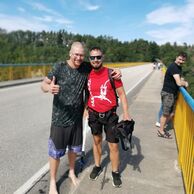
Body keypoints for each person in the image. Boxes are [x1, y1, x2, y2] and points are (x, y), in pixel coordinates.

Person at [41, 42, 121, 194]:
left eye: (81, 55)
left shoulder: (86, 67)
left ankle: (71, 172)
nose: (78, 57)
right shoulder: (59, 67)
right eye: (76, 54)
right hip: (59, 118)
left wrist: (117, 71)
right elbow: (43, 84)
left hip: (77, 118)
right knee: (55, 152)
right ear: (70, 53)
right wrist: (48, 88)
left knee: (73, 150)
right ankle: (52, 181)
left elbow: (101, 68)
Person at [86, 47, 132, 188]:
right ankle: (98, 166)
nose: (95, 60)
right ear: (89, 59)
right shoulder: (86, 73)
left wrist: (126, 113)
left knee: (113, 145)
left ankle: (115, 172)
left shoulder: (112, 74)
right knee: (97, 141)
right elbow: (86, 93)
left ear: (102, 57)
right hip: (93, 114)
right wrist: (85, 109)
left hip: (110, 115)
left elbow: (122, 94)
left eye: (98, 57)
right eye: (92, 58)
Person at [157, 52, 189, 139]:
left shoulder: (178, 67)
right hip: (168, 93)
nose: (181, 61)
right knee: (166, 113)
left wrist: (181, 79)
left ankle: (162, 128)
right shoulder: (174, 67)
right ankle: (161, 131)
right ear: (176, 57)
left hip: (172, 94)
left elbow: (178, 78)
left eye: (183, 60)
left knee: (171, 113)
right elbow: (179, 82)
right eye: (180, 59)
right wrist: (185, 83)